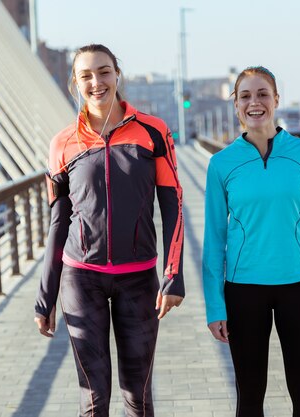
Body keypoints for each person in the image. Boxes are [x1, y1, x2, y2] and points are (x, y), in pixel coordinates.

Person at [34, 44, 184, 417]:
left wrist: (173, 275)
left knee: (138, 396)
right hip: (80, 278)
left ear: (117, 74)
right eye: (86, 75)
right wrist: (45, 295)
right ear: (75, 83)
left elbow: (173, 204)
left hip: (138, 278)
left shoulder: (154, 131)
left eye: (103, 72)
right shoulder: (62, 143)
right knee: (94, 399)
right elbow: (58, 222)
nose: (96, 82)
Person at [202, 66, 300, 417]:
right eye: (246, 96)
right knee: (249, 397)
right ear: (236, 105)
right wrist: (215, 306)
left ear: (277, 100)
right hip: (243, 290)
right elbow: (213, 239)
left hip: (299, 287)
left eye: (263, 94)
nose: (255, 103)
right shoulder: (222, 164)